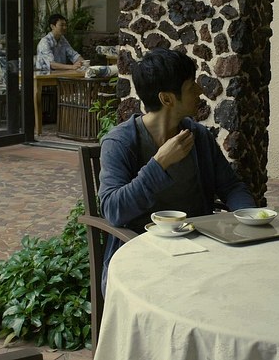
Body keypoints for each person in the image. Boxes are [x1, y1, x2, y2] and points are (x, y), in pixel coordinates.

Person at [98, 47, 255, 289]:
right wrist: (159, 164)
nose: (200, 90)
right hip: (139, 258)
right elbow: (113, 209)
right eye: (191, 86)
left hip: (198, 251)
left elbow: (231, 186)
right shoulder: (120, 142)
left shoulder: (198, 136)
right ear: (167, 99)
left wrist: (249, 216)